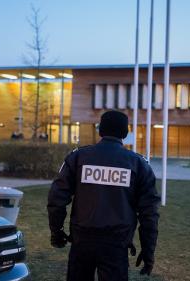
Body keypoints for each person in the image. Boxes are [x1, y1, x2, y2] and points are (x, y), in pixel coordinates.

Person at [47, 110, 160, 281]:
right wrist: (148, 251)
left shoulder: (78, 157)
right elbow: (149, 213)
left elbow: (57, 198)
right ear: (124, 133)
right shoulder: (137, 164)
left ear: (101, 130)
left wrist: (57, 231)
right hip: (116, 243)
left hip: (82, 240)